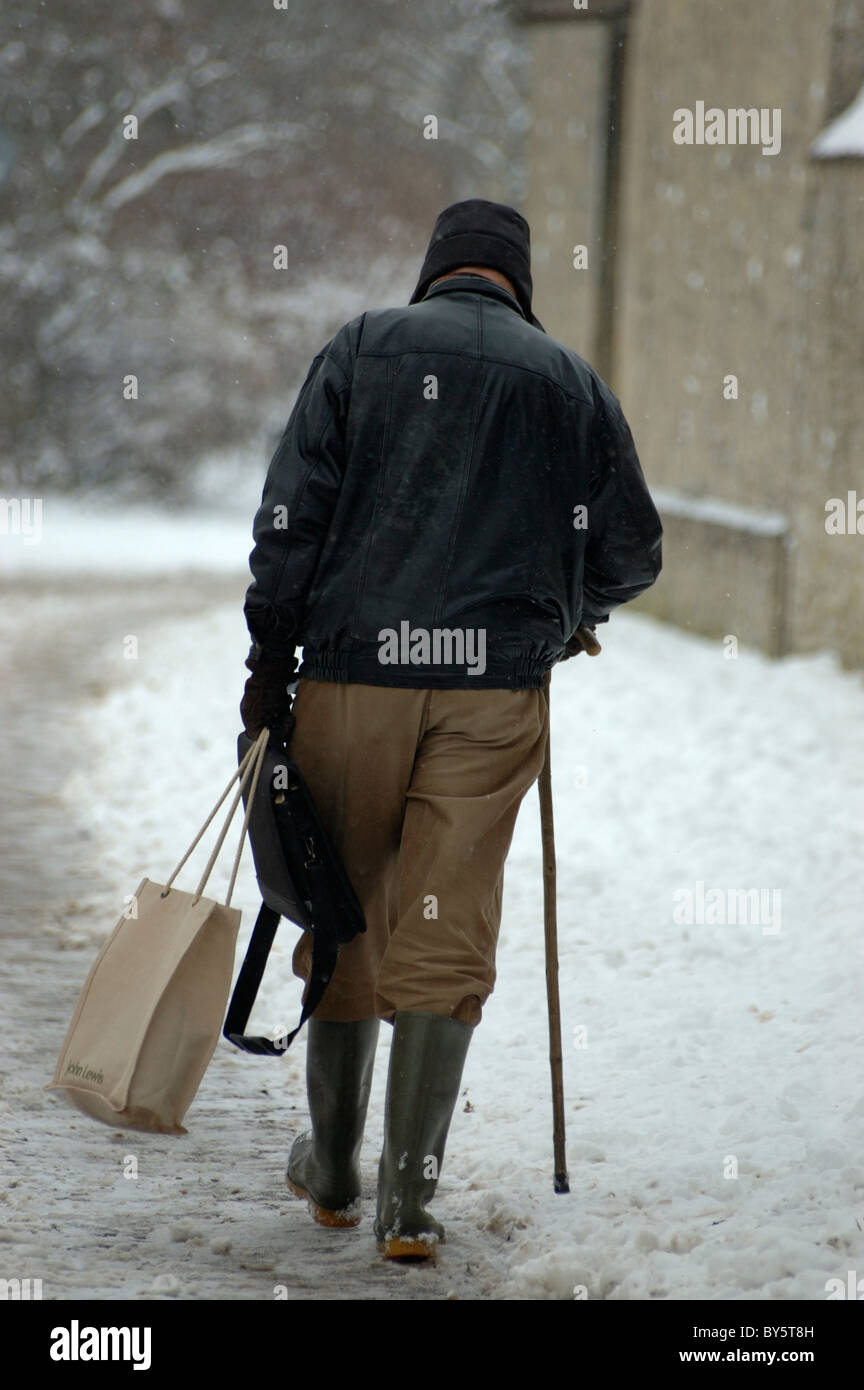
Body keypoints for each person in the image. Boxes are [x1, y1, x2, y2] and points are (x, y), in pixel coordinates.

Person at [240, 198, 663, 1260]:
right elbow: (633, 550)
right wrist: (566, 620)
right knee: (447, 928)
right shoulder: (570, 385)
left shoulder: (361, 350)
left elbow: (291, 519)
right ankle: (408, 1204)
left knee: (343, 915)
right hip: (489, 695)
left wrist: (267, 665)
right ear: (520, 282)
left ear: (436, 271)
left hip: (352, 685)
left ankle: (334, 1170)